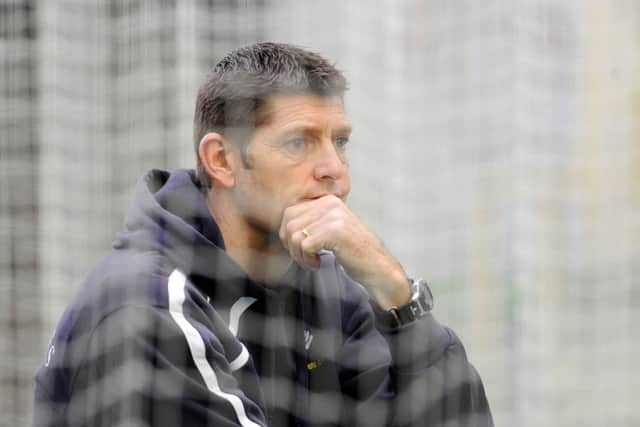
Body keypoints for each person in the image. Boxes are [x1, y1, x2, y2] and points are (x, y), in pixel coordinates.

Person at [33, 42, 492, 427]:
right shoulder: (144, 302)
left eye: (341, 142)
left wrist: (395, 292)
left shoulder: (329, 290)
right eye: (299, 143)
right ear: (222, 160)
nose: (334, 169)